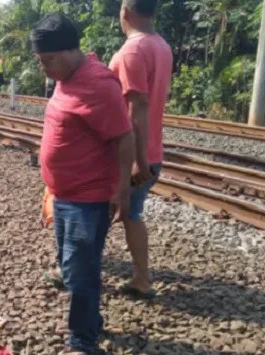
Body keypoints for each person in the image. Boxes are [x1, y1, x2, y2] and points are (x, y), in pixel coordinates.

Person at [32, 13, 134, 355]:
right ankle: (90, 323)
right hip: (64, 195)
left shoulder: (98, 84)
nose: (44, 68)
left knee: (80, 272)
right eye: (40, 61)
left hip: (87, 200)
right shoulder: (67, 75)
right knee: (70, 265)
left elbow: (123, 137)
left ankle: (83, 341)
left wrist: (122, 189)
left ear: (70, 51)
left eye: (48, 60)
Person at [109, 0, 172, 299]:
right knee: (132, 214)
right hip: (151, 151)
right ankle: (141, 278)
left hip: (131, 155)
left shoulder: (133, 50)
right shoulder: (161, 45)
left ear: (126, 12)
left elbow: (136, 108)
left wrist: (137, 160)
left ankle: (73, 271)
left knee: (94, 212)